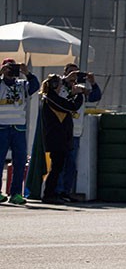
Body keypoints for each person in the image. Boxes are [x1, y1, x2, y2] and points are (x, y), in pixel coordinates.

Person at [56, 63, 102, 202]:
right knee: (59, 163)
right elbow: (51, 94)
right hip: (60, 131)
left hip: (75, 132)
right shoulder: (60, 87)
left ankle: (66, 191)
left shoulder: (81, 89)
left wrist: (92, 83)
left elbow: (95, 97)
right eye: (71, 73)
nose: (74, 76)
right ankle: (56, 191)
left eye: (77, 73)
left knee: (71, 163)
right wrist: (65, 81)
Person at [39, 74, 84, 204]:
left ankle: (53, 193)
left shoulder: (54, 98)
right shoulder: (50, 98)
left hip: (61, 138)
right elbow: (71, 106)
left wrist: (74, 95)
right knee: (56, 168)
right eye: (59, 84)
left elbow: (64, 105)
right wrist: (79, 94)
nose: (60, 87)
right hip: (56, 138)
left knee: (58, 167)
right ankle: (49, 194)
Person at [0, 58, 39, 205]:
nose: (11, 71)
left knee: (20, 161)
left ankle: (16, 193)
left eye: (13, 68)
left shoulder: (22, 84)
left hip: (18, 128)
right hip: (2, 127)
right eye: (8, 68)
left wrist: (27, 73)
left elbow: (35, 86)